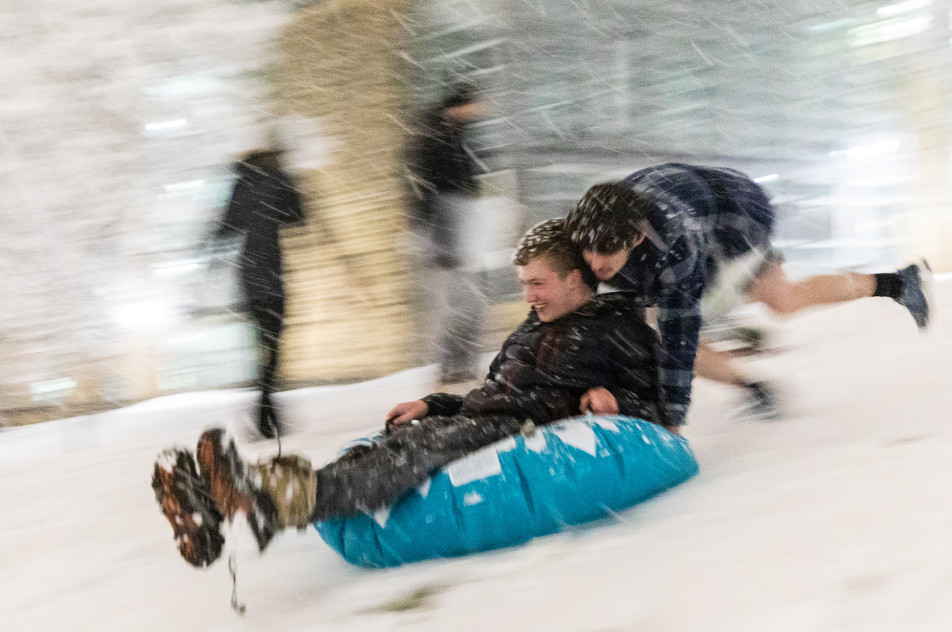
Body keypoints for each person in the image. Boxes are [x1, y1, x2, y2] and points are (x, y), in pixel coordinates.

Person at [154, 219, 663, 568]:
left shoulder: (615, 328)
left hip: (523, 429)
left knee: (410, 457)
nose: (527, 295)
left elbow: (658, 405)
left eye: (537, 284)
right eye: (523, 284)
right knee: (394, 443)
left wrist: (618, 404)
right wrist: (433, 404)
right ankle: (220, 503)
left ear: (576, 278)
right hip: (482, 418)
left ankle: (253, 497)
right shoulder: (532, 328)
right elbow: (489, 391)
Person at [564, 162, 933, 432]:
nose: (594, 260)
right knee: (655, 316)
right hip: (702, 206)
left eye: (607, 249)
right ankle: (900, 283)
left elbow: (680, 336)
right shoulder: (588, 231)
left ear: (636, 237)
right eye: (587, 249)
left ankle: (898, 286)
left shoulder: (676, 246)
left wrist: (670, 423)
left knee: (770, 305)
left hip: (739, 218)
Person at [213, 147, 306, 439]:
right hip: (272, 275)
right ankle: (266, 414)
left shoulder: (243, 185)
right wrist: (290, 185)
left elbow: (226, 229)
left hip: (250, 276)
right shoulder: (277, 182)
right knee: (273, 349)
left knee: (264, 349)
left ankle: (266, 413)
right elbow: (298, 218)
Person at [404, 83, 488, 385]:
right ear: (460, 105)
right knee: (457, 302)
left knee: (464, 300)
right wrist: (430, 235)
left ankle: (459, 364)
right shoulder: (435, 136)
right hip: (448, 224)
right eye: (473, 105)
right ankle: (451, 365)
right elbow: (425, 190)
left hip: (457, 223)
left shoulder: (451, 132)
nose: (477, 112)